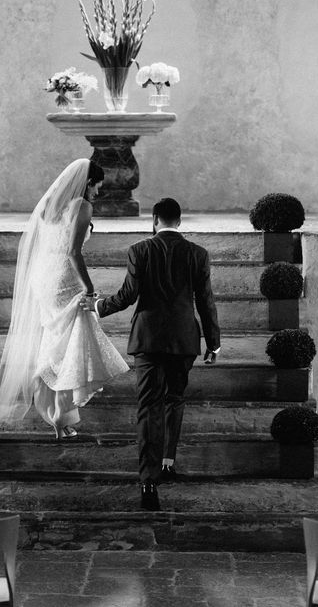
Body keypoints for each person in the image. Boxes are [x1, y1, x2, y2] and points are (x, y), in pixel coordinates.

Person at [83, 197, 221, 510]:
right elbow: (206, 301)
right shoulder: (198, 254)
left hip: (148, 339)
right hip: (184, 339)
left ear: (155, 219)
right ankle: (169, 462)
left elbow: (128, 295)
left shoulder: (140, 250)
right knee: (174, 399)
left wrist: (98, 307)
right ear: (180, 222)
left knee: (148, 407)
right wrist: (213, 341)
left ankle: (148, 480)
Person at [0, 158, 129, 438]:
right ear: (87, 182)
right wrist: (90, 289)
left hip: (44, 278)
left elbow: (46, 245)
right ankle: (58, 413)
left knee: (58, 343)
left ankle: (57, 412)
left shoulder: (48, 205)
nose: (98, 193)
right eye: (97, 187)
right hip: (64, 280)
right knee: (74, 347)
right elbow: (73, 252)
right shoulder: (82, 206)